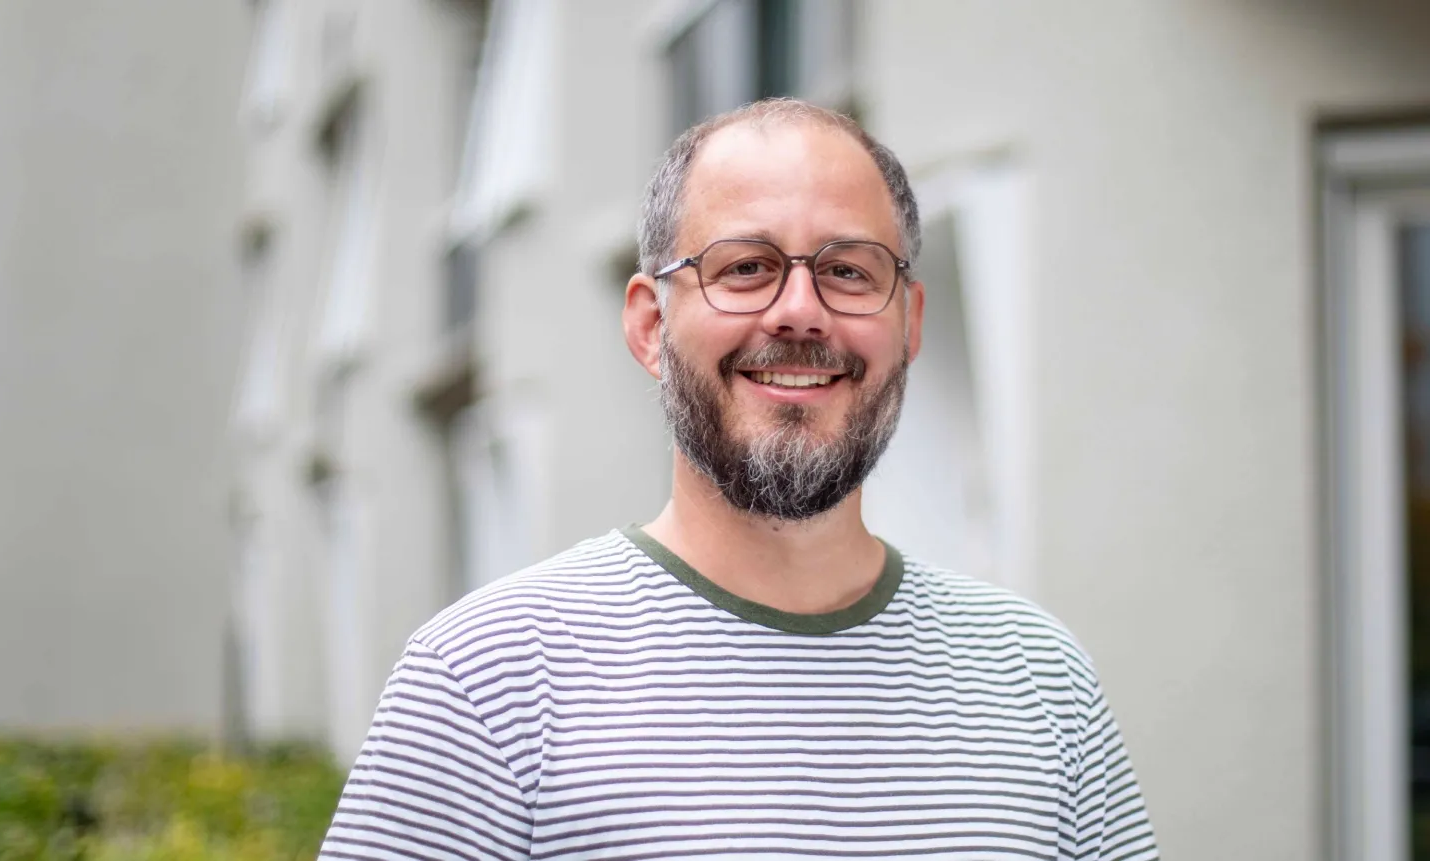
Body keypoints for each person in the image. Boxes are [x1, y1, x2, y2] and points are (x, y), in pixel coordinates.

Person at [319, 99, 1159, 860]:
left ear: (909, 324)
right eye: (745, 266)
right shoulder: (486, 679)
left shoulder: (1040, 677)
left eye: (849, 270)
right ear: (650, 325)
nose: (799, 309)